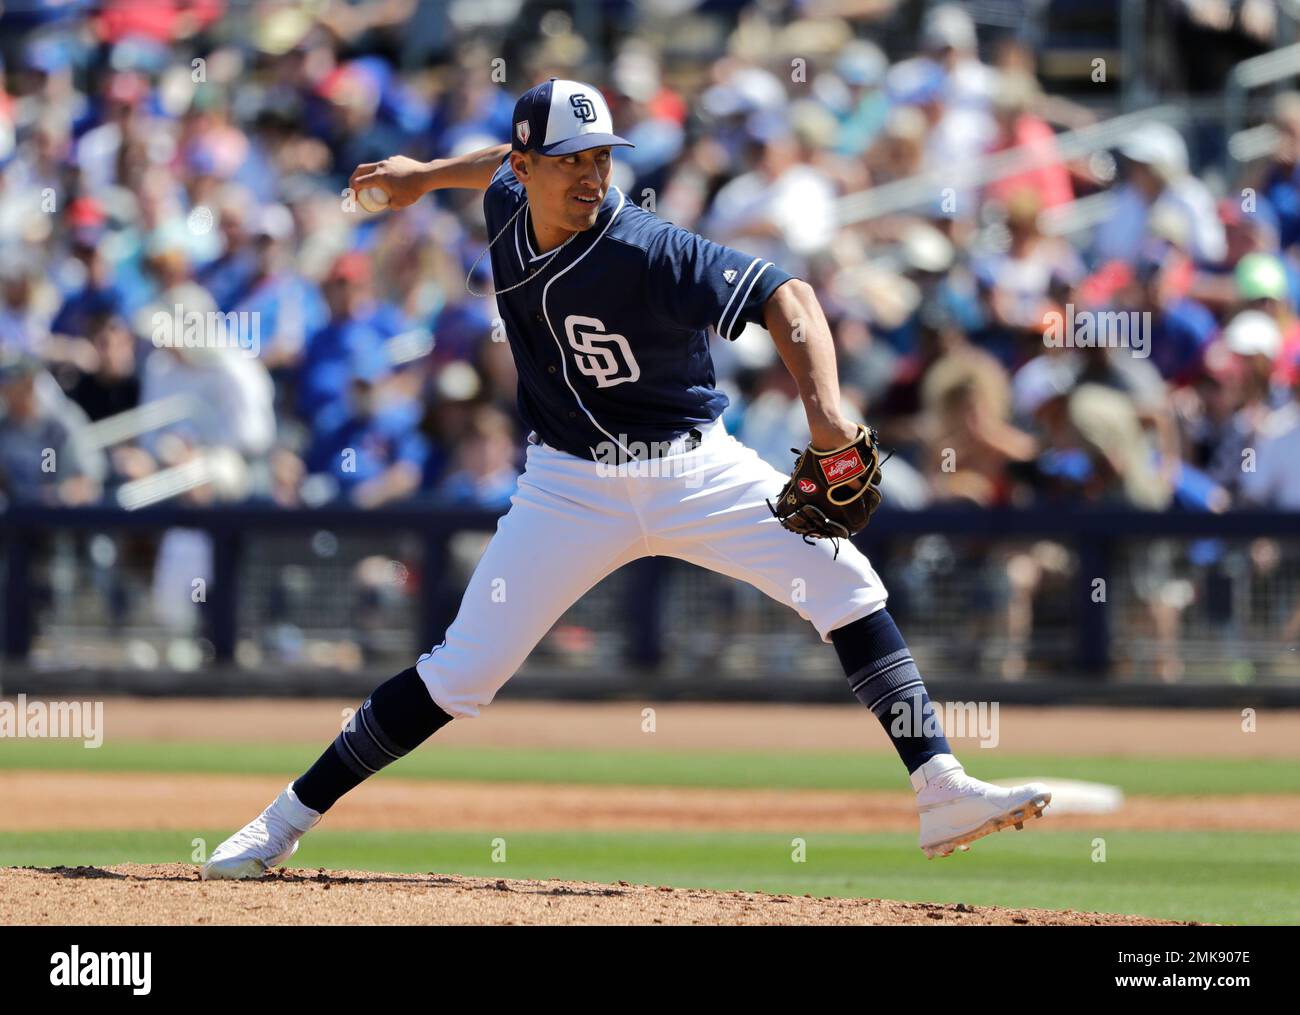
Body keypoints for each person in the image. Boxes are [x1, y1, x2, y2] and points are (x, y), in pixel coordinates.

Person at [201, 79, 1051, 880]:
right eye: (571, 159)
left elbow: (787, 297)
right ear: (529, 167)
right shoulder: (508, 196)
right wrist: (424, 177)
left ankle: (939, 786)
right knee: (461, 672)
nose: (592, 173)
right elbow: (493, 164)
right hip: (567, 487)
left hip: (694, 467)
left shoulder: (648, 248)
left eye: (601, 156)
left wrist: (827, 417)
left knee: (848, 586)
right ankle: (284, 820)